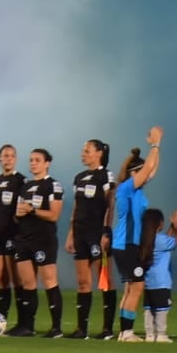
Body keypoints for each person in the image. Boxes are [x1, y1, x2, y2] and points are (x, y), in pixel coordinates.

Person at [112, 126, 164, 343]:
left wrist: (157, 147)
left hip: (127, 245)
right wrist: (154, 144)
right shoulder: (126, 188)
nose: (148, 176)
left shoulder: (136, 190)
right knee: (137, 287)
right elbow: (149, 167)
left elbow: (153, 168)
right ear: (135, 172)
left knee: (131, 288)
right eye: (142, 172)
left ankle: (125, 332)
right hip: (126, 245)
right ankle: (127, 332)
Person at [11, 148, 65, 337]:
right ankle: (28, 326)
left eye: (37, 160)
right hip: (24, 238)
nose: (33, 163)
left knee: (49, 280)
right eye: (31, 160)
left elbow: (54, 214)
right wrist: (18, 215)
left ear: (47, 163)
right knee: (28, 283)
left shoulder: (53, 185)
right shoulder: (25, 187)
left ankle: (56, 328)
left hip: (44, 239)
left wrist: (32, 210)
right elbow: (19, 214)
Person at [66, 138, 114, 340]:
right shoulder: (79, 177)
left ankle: (107, 329)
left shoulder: (106, 176)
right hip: (80, 232)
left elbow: (110, 205)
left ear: (98, 153)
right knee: (83, 282)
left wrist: (106, 231)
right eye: (83, 150)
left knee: (104, 281)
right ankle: (81, 329)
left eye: (87, 150)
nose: (83, 154)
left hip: (97, 234)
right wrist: (70, 233)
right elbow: (76, 208)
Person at [0, 144, 24, 324]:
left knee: (16, 280)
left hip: (12, 235)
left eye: (11, 156)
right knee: (1, 280)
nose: (8, 159)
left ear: (15, 159)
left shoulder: (21, 181)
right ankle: (2, 321)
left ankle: (22, 322)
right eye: (5, 156)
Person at [139, 208, 177, 343]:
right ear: (160, 224)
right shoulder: (162, 240)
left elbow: (167, 239)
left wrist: (171, 227)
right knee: (162, 309)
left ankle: (149, 334)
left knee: (149, 309)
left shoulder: (144, 239)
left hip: (148, 281)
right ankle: (161, 334)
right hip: (162, 281)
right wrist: (176, 226)